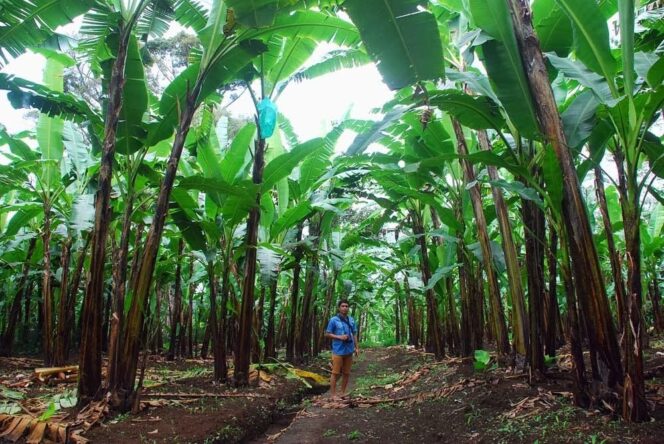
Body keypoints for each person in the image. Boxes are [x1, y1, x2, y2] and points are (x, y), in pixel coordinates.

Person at [324, 299, 359, 399]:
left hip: (349, 349)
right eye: (343, 306)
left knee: (346, 373)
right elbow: (327, 333)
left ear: (348, 308)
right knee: (335, 373)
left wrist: (357, 348)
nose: (345, 308)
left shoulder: (351, 320)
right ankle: (333, 395)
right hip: (338, 350)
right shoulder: (333, 320)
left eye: (346, 306)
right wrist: (339, 337)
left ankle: (342, 393)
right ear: (339, 308)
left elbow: (355, 334)